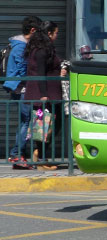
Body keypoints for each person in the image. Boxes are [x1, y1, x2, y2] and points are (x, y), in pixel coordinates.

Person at [3, 15, 41, 169]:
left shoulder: (16, 44)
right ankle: (17, 154)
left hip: (19, 89)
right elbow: (21, 70)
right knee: (27, 121)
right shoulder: (21, 46)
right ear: (32, 30)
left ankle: (18, 154)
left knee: (25, 121)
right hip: (22, 89)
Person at [23, 27, 62, 169]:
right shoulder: (41, 51)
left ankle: (40, 155)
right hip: (45, 95)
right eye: (56, 33)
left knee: (50, 126)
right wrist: (44, 94)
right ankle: (40, 158)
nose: (57, 36)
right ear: (49, 33)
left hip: (51, 93)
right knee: (45, 127)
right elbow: (40, 73)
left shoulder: (45, 49)